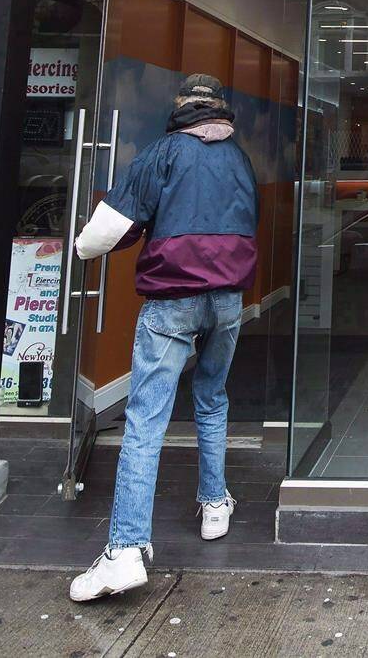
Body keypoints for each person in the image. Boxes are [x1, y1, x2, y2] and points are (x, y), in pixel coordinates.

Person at [68, 73, 258, 603]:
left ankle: (125, 550)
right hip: (227, 300)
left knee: (147, 417)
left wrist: (84, 249)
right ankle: (215, 504)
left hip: (173, 300)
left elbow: (101, 234)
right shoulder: (239, 160)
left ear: (180, 111)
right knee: (212, 396)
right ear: (220, 112)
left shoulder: (163, 154)